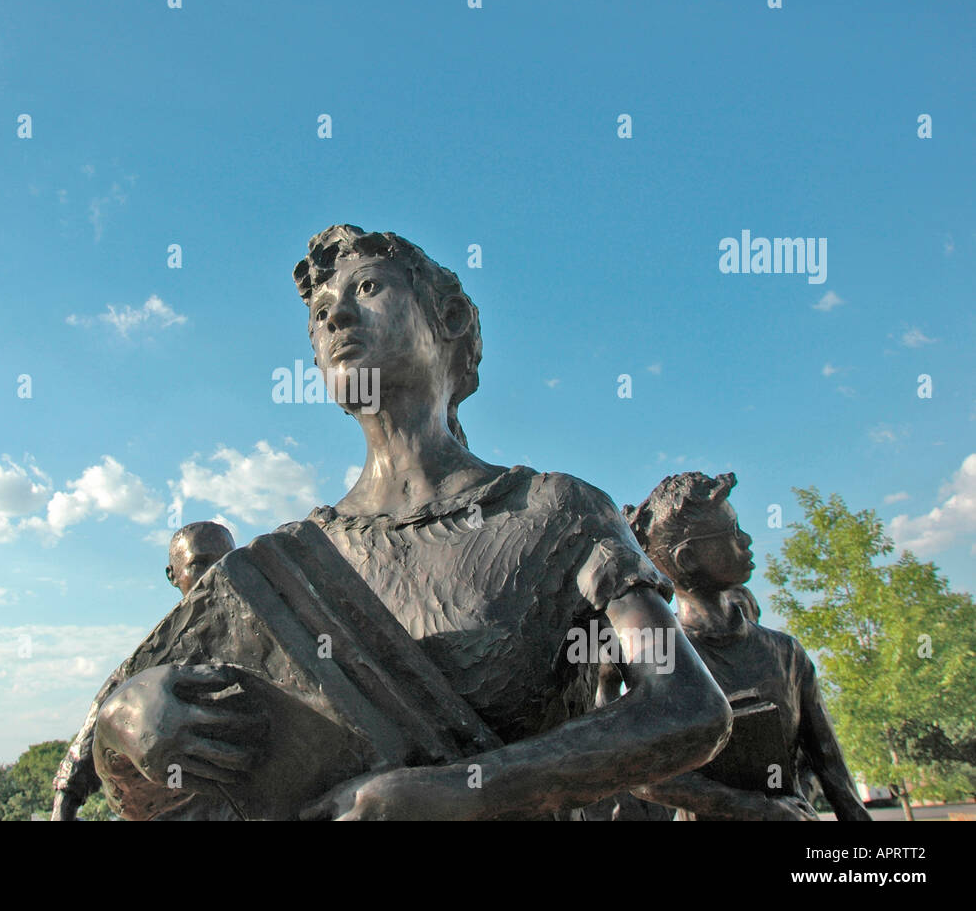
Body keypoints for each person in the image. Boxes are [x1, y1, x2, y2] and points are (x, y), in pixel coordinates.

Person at [87, 224, 732, 821]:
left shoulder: (556, 512)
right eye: (318, 315)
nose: (336, 315)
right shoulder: (273, 571)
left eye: (367, 288)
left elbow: (687, 709)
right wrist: (121, 733)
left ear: (447, 319)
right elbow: (155, 798)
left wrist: (466, 791)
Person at [622, 472, 871, 821]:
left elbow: (829, 762)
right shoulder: (662, 656)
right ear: (687, 558)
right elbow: (644, 774)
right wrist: (754, 809)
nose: (748, 540)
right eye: (733, 533)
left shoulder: (785, 653)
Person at [50, 522, 235, 821]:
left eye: (225, 560)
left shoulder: (263, 627)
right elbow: (98, 726)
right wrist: (64, 806)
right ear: (172, 575)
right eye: (199, 564)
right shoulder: (155, 655)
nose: (214, 573)